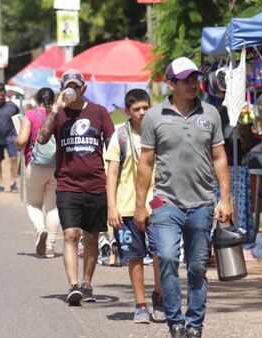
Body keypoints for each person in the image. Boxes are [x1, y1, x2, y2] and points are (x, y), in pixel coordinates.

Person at [134, 56, 233, 338]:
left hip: (202, 204)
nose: (193, 83)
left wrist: (225, 198)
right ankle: (175, 321)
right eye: (186, 79)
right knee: (165, 256)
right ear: (171, 84)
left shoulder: (211, 114)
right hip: (165, 203)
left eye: (195, 78)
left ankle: (195, 325)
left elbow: (219, 157)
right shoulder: (154, 116)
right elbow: (146, 163)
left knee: (198, 267)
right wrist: (140, 206)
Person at [37, 69, 115, 306]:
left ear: (84, 88)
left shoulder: (99, 112)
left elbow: (113, 147)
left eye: (76, 86)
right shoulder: (58, 114)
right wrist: (55, 108)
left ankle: (87, 284)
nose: (73, 90)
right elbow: (41, 138)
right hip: (68, 185)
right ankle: (73, 286)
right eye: (68, 86)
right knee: (71, 234)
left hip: (96, 185)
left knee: (91, 237)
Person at [106, 89, 165, 324]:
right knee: (135, 257)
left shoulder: (161, 134)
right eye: (136, 109)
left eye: (145, 107)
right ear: (127, 112)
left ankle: (159, 298)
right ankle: (141, 305)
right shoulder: (119, 136)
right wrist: (112, 207)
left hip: (158, 205)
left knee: (162, 253)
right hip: (126, 206)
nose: (142, 112)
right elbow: (111, 174)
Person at [15, 87, 60, 258]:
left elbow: (22, 141)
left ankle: (41, 229)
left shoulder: (31, 115)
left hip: (35, 166)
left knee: (33, 203)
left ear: (37, 100)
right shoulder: (59, 115)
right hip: (56, 166)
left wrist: (16, 141)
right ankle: (50, 248)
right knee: (53, 207)